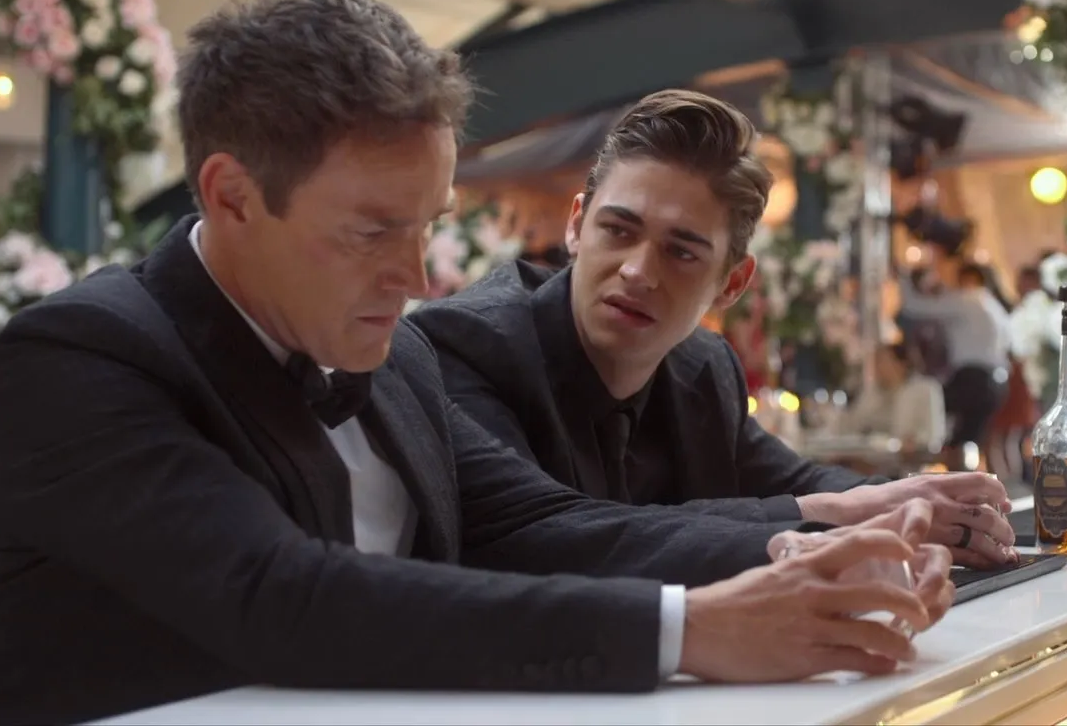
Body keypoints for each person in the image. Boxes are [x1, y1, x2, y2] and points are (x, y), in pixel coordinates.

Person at [0, 0, 954, 726]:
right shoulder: (81, 352)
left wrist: (807, 550)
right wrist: (694, 630)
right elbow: (283, 597)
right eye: (372, 231)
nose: (417, 275)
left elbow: (544, 526)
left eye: (428, 224)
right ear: (232, 196)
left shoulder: (397, 362)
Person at [415, 90, 1017, 569]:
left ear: (732, 283)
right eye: (618, 230)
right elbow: (553, 535)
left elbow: (795, 480)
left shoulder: (701, 366)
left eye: (681, 252)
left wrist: (918, 501)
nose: (637, 270)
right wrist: (837, 511)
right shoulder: (466, 346)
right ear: (577, 225)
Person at [898, 262, 1013, 453]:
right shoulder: (995, 306)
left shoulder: (967, 299)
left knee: (930, 410)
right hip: (997, 383)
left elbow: (914, 307)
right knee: (968, 444)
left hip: (972, 379)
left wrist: (903, 278)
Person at [844, 344, 948, 453]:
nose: (879, 368)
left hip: (918, 458)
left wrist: (914, 441)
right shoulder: (877, 393)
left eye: (884, 361)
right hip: (880, 458)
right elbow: (857, 424)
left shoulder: (926, 389)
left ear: (902, 364)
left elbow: (934, 435)